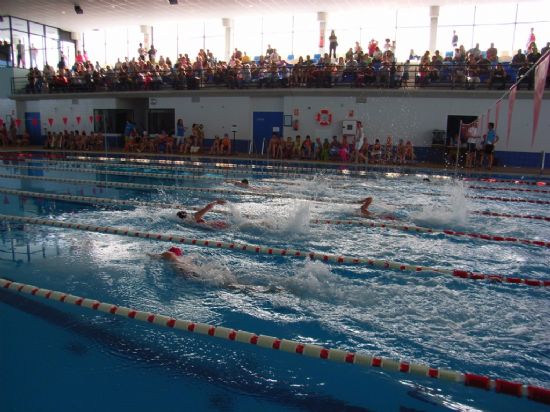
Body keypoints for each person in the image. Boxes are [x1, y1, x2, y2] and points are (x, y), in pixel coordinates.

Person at [152, 246, 282, 293]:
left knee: (227, 286)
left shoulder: (170, 256)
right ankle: (261, 289)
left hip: (191, 273)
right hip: (197, 270)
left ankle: (263, 290)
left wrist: (145, 255)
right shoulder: (185, 259)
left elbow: (159, 256)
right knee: (229, 283)